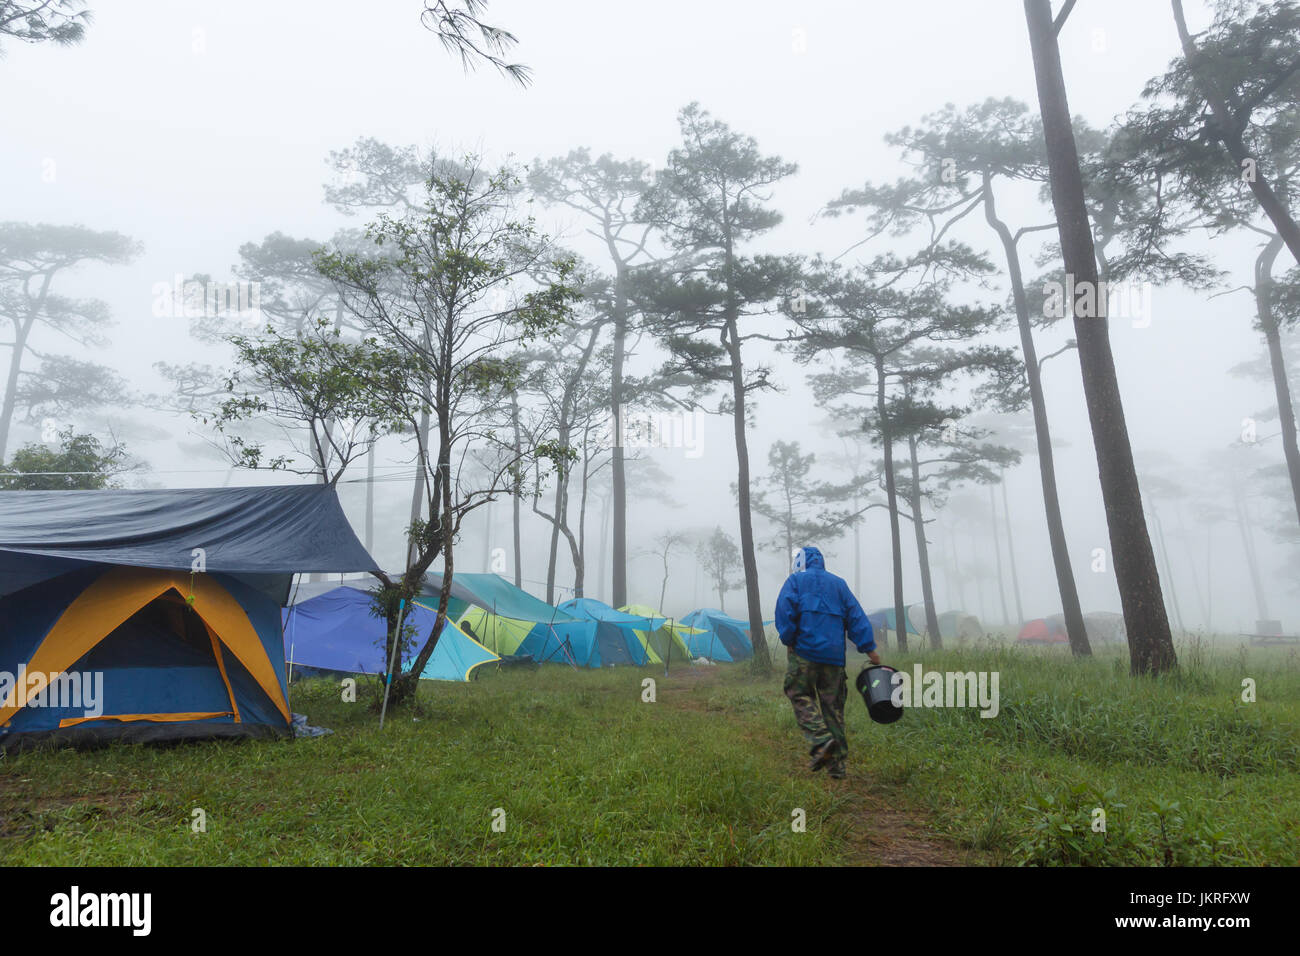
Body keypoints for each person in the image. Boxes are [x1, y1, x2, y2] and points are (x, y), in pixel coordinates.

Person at [774, 545, 879, 779]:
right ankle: (837, 768)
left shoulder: (795, 582)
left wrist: (788, 639)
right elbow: (856, 616)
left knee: (798, 692)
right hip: (833, 659)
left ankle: (821, 741)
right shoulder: (839, 585)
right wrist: (869, 648)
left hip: (804, 654)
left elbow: (784, 611)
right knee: (833, 709)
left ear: (800, 563)